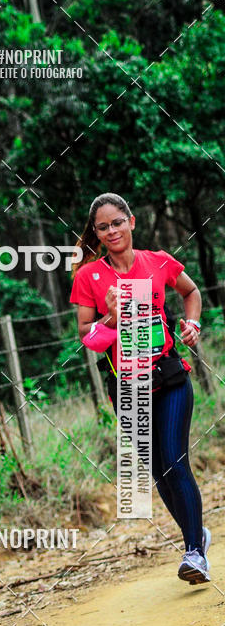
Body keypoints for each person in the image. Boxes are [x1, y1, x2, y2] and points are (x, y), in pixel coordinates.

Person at [70, 192, 211, 586]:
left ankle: (195, 553)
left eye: (117, 222)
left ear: (131, 222)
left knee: (174, 460)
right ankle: (196, 536)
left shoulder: (159, 261)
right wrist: (111, 319)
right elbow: (88, 337)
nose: (111, 231)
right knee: (157, 470)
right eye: (103, 227)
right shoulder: (89, 277)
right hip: (127, 385)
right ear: (96, 234)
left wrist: (193, 325)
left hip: (169, 376)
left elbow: (191, 292)